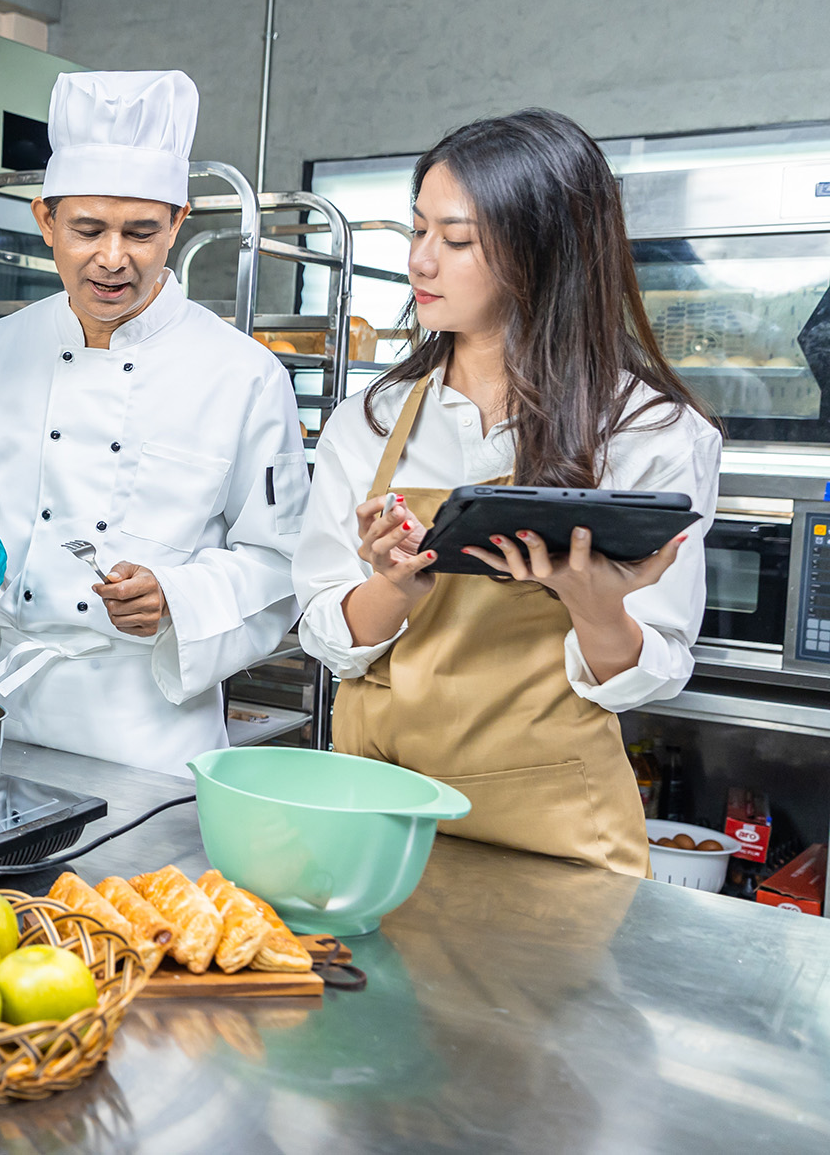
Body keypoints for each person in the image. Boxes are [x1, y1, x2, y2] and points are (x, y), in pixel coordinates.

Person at [293, 108, 720, 875]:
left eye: (455, 240)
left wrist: (593, 602)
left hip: (556, 834)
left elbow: (652, 672)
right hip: (380, 813)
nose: (421, 261)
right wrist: (395, 585)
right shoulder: (370, 421)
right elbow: (326, 636)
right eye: (417, 230)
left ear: (545, 252)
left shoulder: (651, 432)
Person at [0, 71, 308, 773]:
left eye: (141, 231)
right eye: (87, 229)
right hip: (6, 718)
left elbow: (280, 561)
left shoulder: (243, 375)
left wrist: (178, 599)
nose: (112, 258)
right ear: (46, 221)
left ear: (179, 224)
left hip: (153, 735)